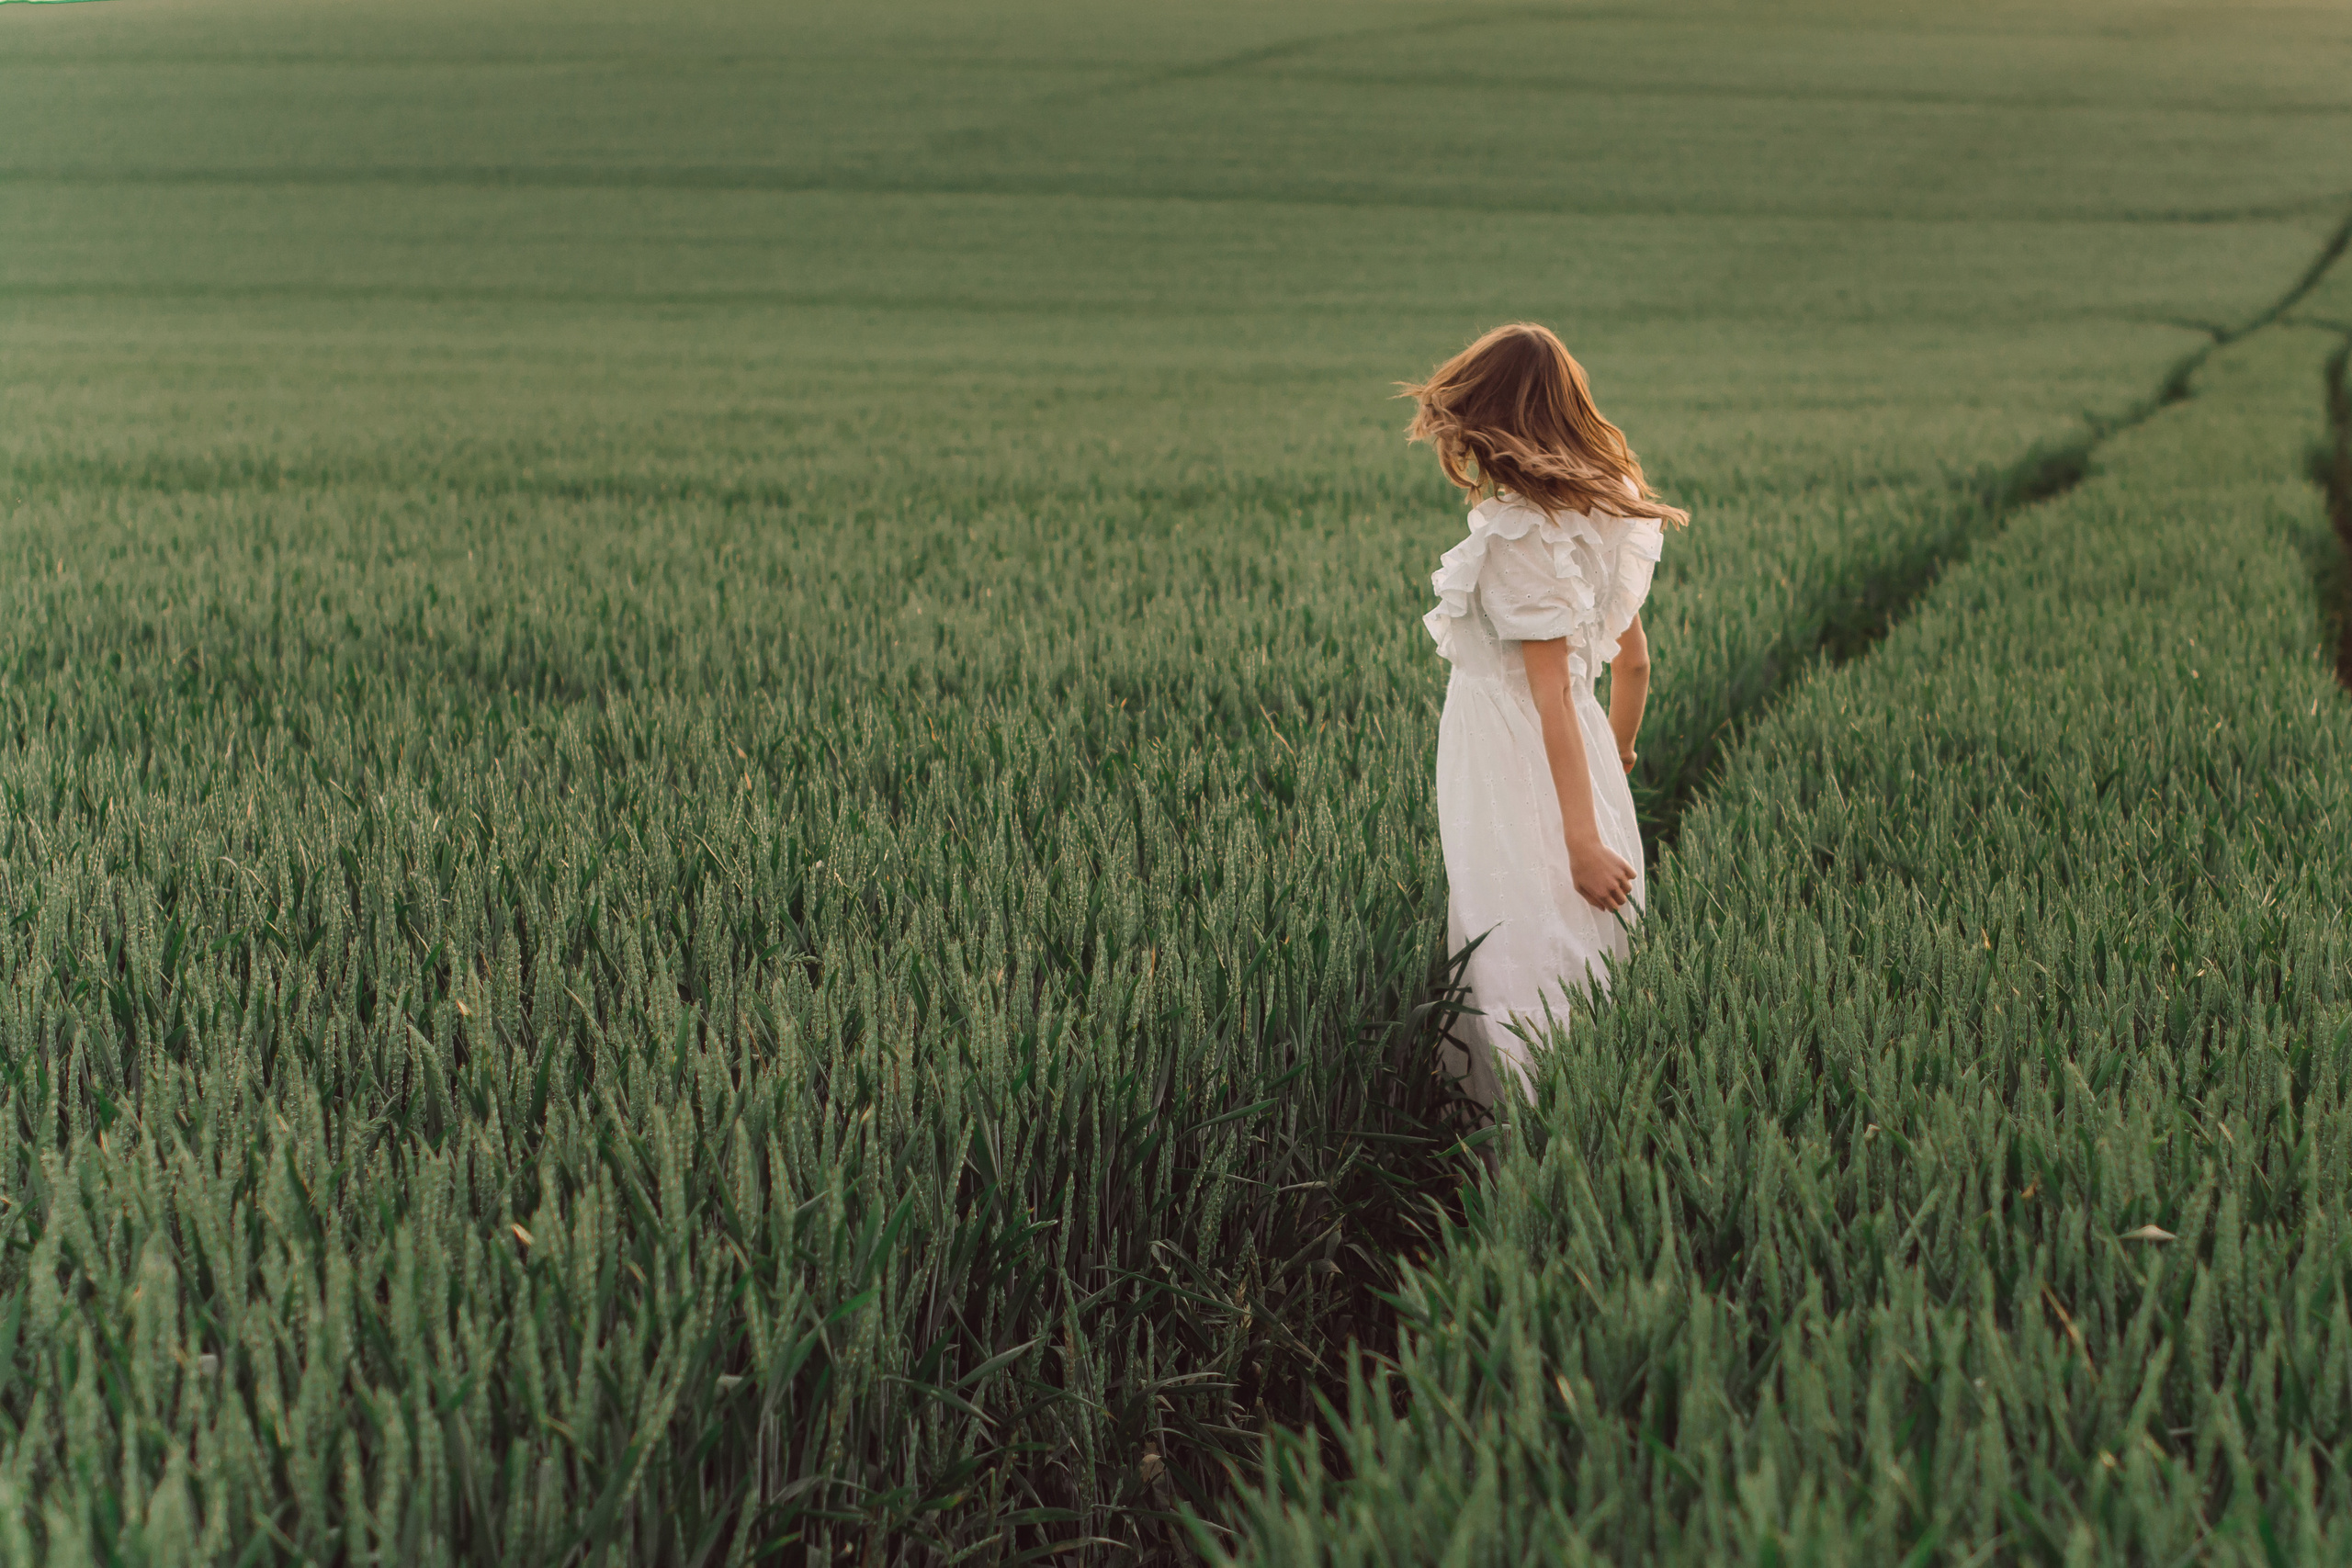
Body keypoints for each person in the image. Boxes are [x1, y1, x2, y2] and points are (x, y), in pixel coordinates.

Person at [1402, 322, 1689, 1111]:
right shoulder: (1602, 513)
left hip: (1509, 755)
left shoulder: (1520, 536)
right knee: (1579, 935)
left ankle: (1523, 1120)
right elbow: (1632, 664)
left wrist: (1582, 841)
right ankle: (1598, 1097)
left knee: (1516, 928)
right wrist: (1619, 754)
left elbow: (1551, 693)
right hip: (1580, 750)